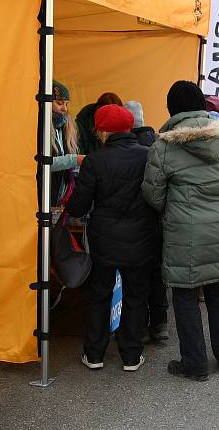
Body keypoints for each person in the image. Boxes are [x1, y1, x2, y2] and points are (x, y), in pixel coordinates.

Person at [142, 81, 219, 381]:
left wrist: (175, 209)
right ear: (202, 105)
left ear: (172, 109)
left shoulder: (163, 145)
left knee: (184, 295)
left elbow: (153, 195)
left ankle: (194, 364)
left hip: (184, 231)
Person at [66, 104, 162, 372]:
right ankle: (131, 355)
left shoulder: (95, 160)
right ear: (129, 128)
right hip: (142, 237)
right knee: (136, 296)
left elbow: (78, 207)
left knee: (98, 295)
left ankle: (94, 354)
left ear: (101, 130)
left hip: (104, 239)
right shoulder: (148, 156)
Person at [123, 100, 167, 342]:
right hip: (159, 220)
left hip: (136, 221)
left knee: (138, 278)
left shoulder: (129, 147)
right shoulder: (158, 143)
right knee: (158, 274)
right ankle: (160, 323)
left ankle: (138, 327)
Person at [50, 80, 83, 206]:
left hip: (61, 199)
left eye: (66, 104)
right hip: (45, 197)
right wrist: (74, 160)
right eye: (59, 103)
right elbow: (45, 163)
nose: (64, 108)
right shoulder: (41, 129)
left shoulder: (68, 128)